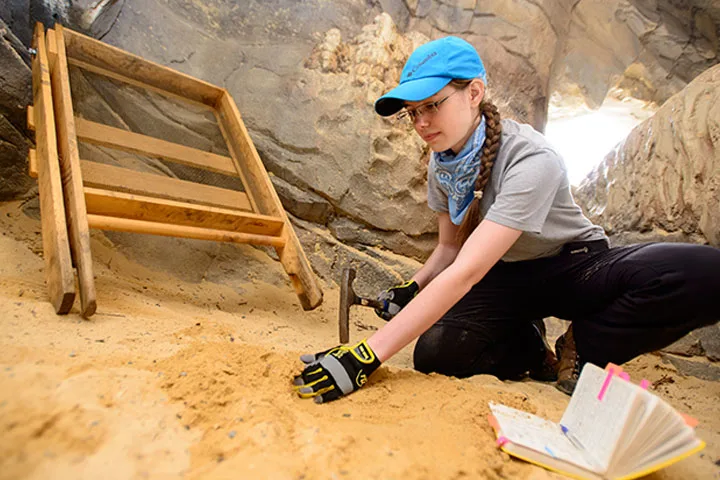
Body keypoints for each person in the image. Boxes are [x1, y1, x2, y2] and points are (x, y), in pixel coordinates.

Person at [293, 36, 720, 403]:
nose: (421, 123)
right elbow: (449, 249)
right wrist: (413, 286)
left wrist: (364, 356)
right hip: (507, 277)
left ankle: (584, 344)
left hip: (573, 267)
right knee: (437, 354)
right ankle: (533, 351)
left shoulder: (532, 158)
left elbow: (466, 271)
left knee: (704, 274)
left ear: (474, 93)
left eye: (432, 106)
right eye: (412, 112)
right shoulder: (441, 165)